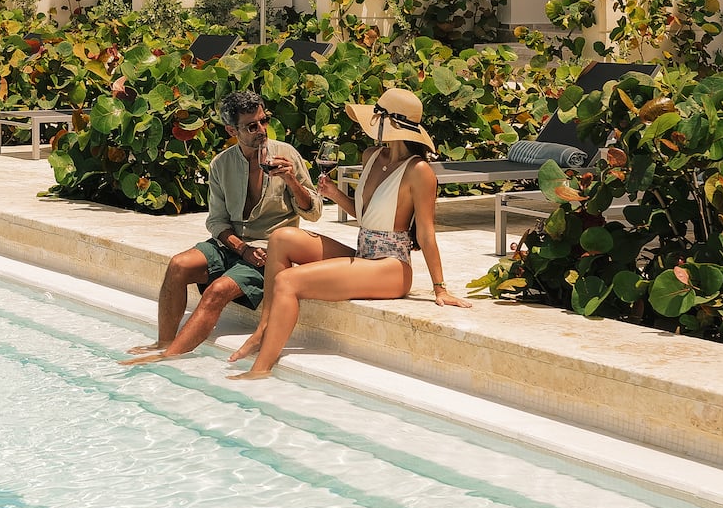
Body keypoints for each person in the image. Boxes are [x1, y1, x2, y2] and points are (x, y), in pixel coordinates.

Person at [228, 86, 468, 379]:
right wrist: (332, 193)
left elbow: (427, 234)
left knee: (289, 281)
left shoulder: (420, 171)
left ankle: (261, 368)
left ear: (387, 124)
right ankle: (262, 330)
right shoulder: (372, 155)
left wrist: (440, 288)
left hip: (391, 267)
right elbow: (366, 214)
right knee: (281, 238)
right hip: (365, 254)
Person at [122, 89, 321, 364]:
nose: (261, 130)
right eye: (252, 126)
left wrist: (291, 181)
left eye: (264, 121)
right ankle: (164, 341)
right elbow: (216, 221)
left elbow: (314, 213)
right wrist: (241, 249)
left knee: (217, 291)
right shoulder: (221, 164)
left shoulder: (287, 155)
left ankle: (168, 358)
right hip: (233, 244)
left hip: (268, 251)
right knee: (178, 265)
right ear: (231, 129)